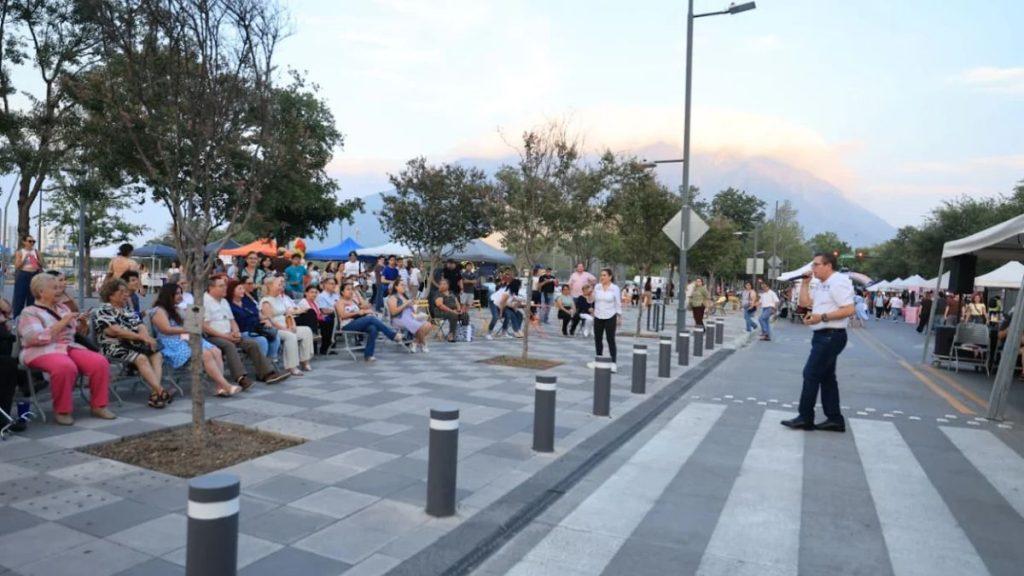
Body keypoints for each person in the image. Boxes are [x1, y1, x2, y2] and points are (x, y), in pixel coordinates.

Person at [17, 274, 115, 425]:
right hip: (41, 350)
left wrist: (82, 324)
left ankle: (99, 405)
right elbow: (34, 338)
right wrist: (63, 322)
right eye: (54, 288)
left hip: (67, 346)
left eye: (60, 287)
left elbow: (75, 333)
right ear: (41, 291)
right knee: (65, 367)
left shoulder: (62, 307)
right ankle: (62, 410)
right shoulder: (30, 312)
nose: (60, 290)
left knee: (99, 362)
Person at [781, 252, 855, 433]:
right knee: (827, 378)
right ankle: (835, 419)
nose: (812, 268)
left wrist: (821, 317)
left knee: (811, 374)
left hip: (831, 335)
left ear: (828, 266)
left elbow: (849, 309)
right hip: (821, 335)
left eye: (816, 265)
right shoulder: (822, 284)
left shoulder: (838, 282)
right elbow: (806, 303)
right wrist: (805, 283)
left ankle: (805, 417)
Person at [93, 278, 172, 410]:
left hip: (133, 344)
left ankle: (155, 393)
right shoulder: (103, 310)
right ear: (111, 295)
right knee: (141, 358)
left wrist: (146, 337)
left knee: (157, 355)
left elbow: (140, 324)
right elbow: (114, 331)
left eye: (126, 292)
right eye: (122, 292)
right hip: (113, 346)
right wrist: (141, 337)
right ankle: (161, 391)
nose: (126, 295)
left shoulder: (127, 310)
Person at [151, 283, 242, 397]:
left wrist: (194, 317)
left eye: (181, 293)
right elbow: (166, 329)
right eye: (177, 293)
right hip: (171, 343)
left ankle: (220, 387)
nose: (181, 296)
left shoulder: (176, 309)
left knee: (216, 351)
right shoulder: (158, 310)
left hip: (184, 338)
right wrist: (188, 328)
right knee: (206, 354)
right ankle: (226, 385)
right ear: (169, 295)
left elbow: (191, 324)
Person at [204, 275, 287, 388]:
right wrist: (226, 336)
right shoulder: (202, 301)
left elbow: (232, 321)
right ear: (211, 287)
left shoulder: (223, 301)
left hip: (229, 334)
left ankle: (267, 373)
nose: (225, 288)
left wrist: (236, 332)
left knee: (252, 344)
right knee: (229, 345)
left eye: (225, 286)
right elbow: (204, 327)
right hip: (212, 336)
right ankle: (241, 377)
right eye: (221, 286)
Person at [335, 282, 404, 361]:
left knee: (373, 328)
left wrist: (364, 307)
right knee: (370, 319)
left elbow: (364, 306)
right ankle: (393, 335)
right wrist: (358, 312)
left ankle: (368, 355)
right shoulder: (340, 302)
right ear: (342, 292)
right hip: (347, 325)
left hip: (358, 322)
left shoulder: (353, 301)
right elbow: (342, 315)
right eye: (348, 289)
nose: (351, 291)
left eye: (352, 289)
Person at [261, 276, 315, 376]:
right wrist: (286, 329)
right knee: (290, 336)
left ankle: (305, 360)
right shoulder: (266, 301)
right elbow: (270, 320)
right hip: (276, 328)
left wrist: (292, 325)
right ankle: (292, 366)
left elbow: (288, 314)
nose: (282, 287)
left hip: (286, 325)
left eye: (282, 285)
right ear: (270, 286)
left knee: (306, 330)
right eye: (279, 285)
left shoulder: (279, 299)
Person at [227, 278, 281, 363]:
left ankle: (270, 362)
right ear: (232, 291)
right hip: (244, 331)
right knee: (262, 340)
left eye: (242, 288)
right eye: (239, 289)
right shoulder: (229, 305)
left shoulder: (246, 301)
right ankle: (263, 368)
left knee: (274, 336)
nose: (243, 291)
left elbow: (258, 314)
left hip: (256, 327)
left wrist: (266, 320)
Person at [388, 279, 432, 352]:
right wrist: (406, 304)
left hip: (411, 316)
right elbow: (393, 312)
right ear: (396, 287)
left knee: (428, 325)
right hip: (399, 318)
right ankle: (423, 343)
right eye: (402, 285)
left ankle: (415, 342)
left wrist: (413, 305)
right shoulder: (393, 297)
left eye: (404, 285)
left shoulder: (405, 296)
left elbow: (412, 309)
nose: (404, 287)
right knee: (421, 327)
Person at [592, 268, 622, 370]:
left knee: (610, 339)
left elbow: (618, 303)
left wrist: (619, 316)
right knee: (598, 339)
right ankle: (599, 359)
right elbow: (592, 300)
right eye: (601, 275)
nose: (602, 277)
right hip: (598, 315)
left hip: (610, 316)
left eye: (604, 275)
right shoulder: (597, 287)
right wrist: (589, 294)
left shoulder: (615, 288)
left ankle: (613, 363)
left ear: (610, 277)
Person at [12, 234, 45, 317]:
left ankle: (31, 318)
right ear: (24, 242)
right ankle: (17, 319)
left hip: (35, 275)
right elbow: (17, 266)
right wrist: (25, 258)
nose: (32, 243)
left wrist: (37, 261)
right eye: (30, 241)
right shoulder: (20, 252)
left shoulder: (37, 252)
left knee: (33, 298)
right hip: (23, 275)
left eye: (33, 241)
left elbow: (43, 264)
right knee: (20, 297)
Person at [297, 284, 336, 355]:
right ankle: (324, 346)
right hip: (307, 322)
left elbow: (319, 313)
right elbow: (310, 314)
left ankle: (327, 346)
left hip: (317, 320)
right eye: (312, 292)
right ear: (306, 293)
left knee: (331, 319)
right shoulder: (303, 302)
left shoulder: (315, 302)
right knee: (325, 323)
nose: (314, 294)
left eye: (315, 292)